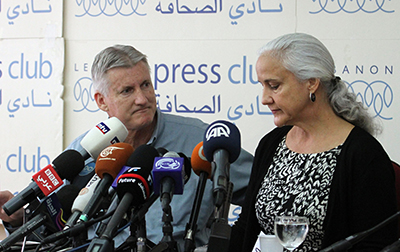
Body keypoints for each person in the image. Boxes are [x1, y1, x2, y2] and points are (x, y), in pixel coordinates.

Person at [63, 44, 254, 251]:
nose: (142, 99)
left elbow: (264, 195)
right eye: (127, 91)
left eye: (146, 85)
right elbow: (54, 218)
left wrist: (232, 243)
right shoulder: (85, 151)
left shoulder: (200, 140)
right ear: (102, 101)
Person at [228, 33, 398, 252]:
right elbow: (245, 229)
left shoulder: (363, 154)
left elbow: (376, 245)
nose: (264, 98)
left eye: (274, 86)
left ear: (311, 83)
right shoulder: (271, 144)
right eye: (263, 85)